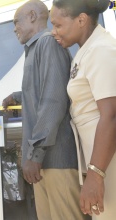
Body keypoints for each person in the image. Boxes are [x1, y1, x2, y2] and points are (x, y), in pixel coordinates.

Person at [2, 1, 88, 219]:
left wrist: (35, 154)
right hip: (43, 164)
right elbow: (44, 90)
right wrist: (17, 96)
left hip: (56, 161)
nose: (14, 28)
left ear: (32, 16)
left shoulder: (48, 43)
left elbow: (53, 101)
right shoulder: (35, 49)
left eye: (16, 22)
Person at [50, 0, 116, 218]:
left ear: (81, 20)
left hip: (108, 162)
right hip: (100, 159)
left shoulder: (101, 50)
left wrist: (96, 175)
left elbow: (112, 115)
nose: (53, 32)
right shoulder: (85, 50)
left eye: (58, 25)